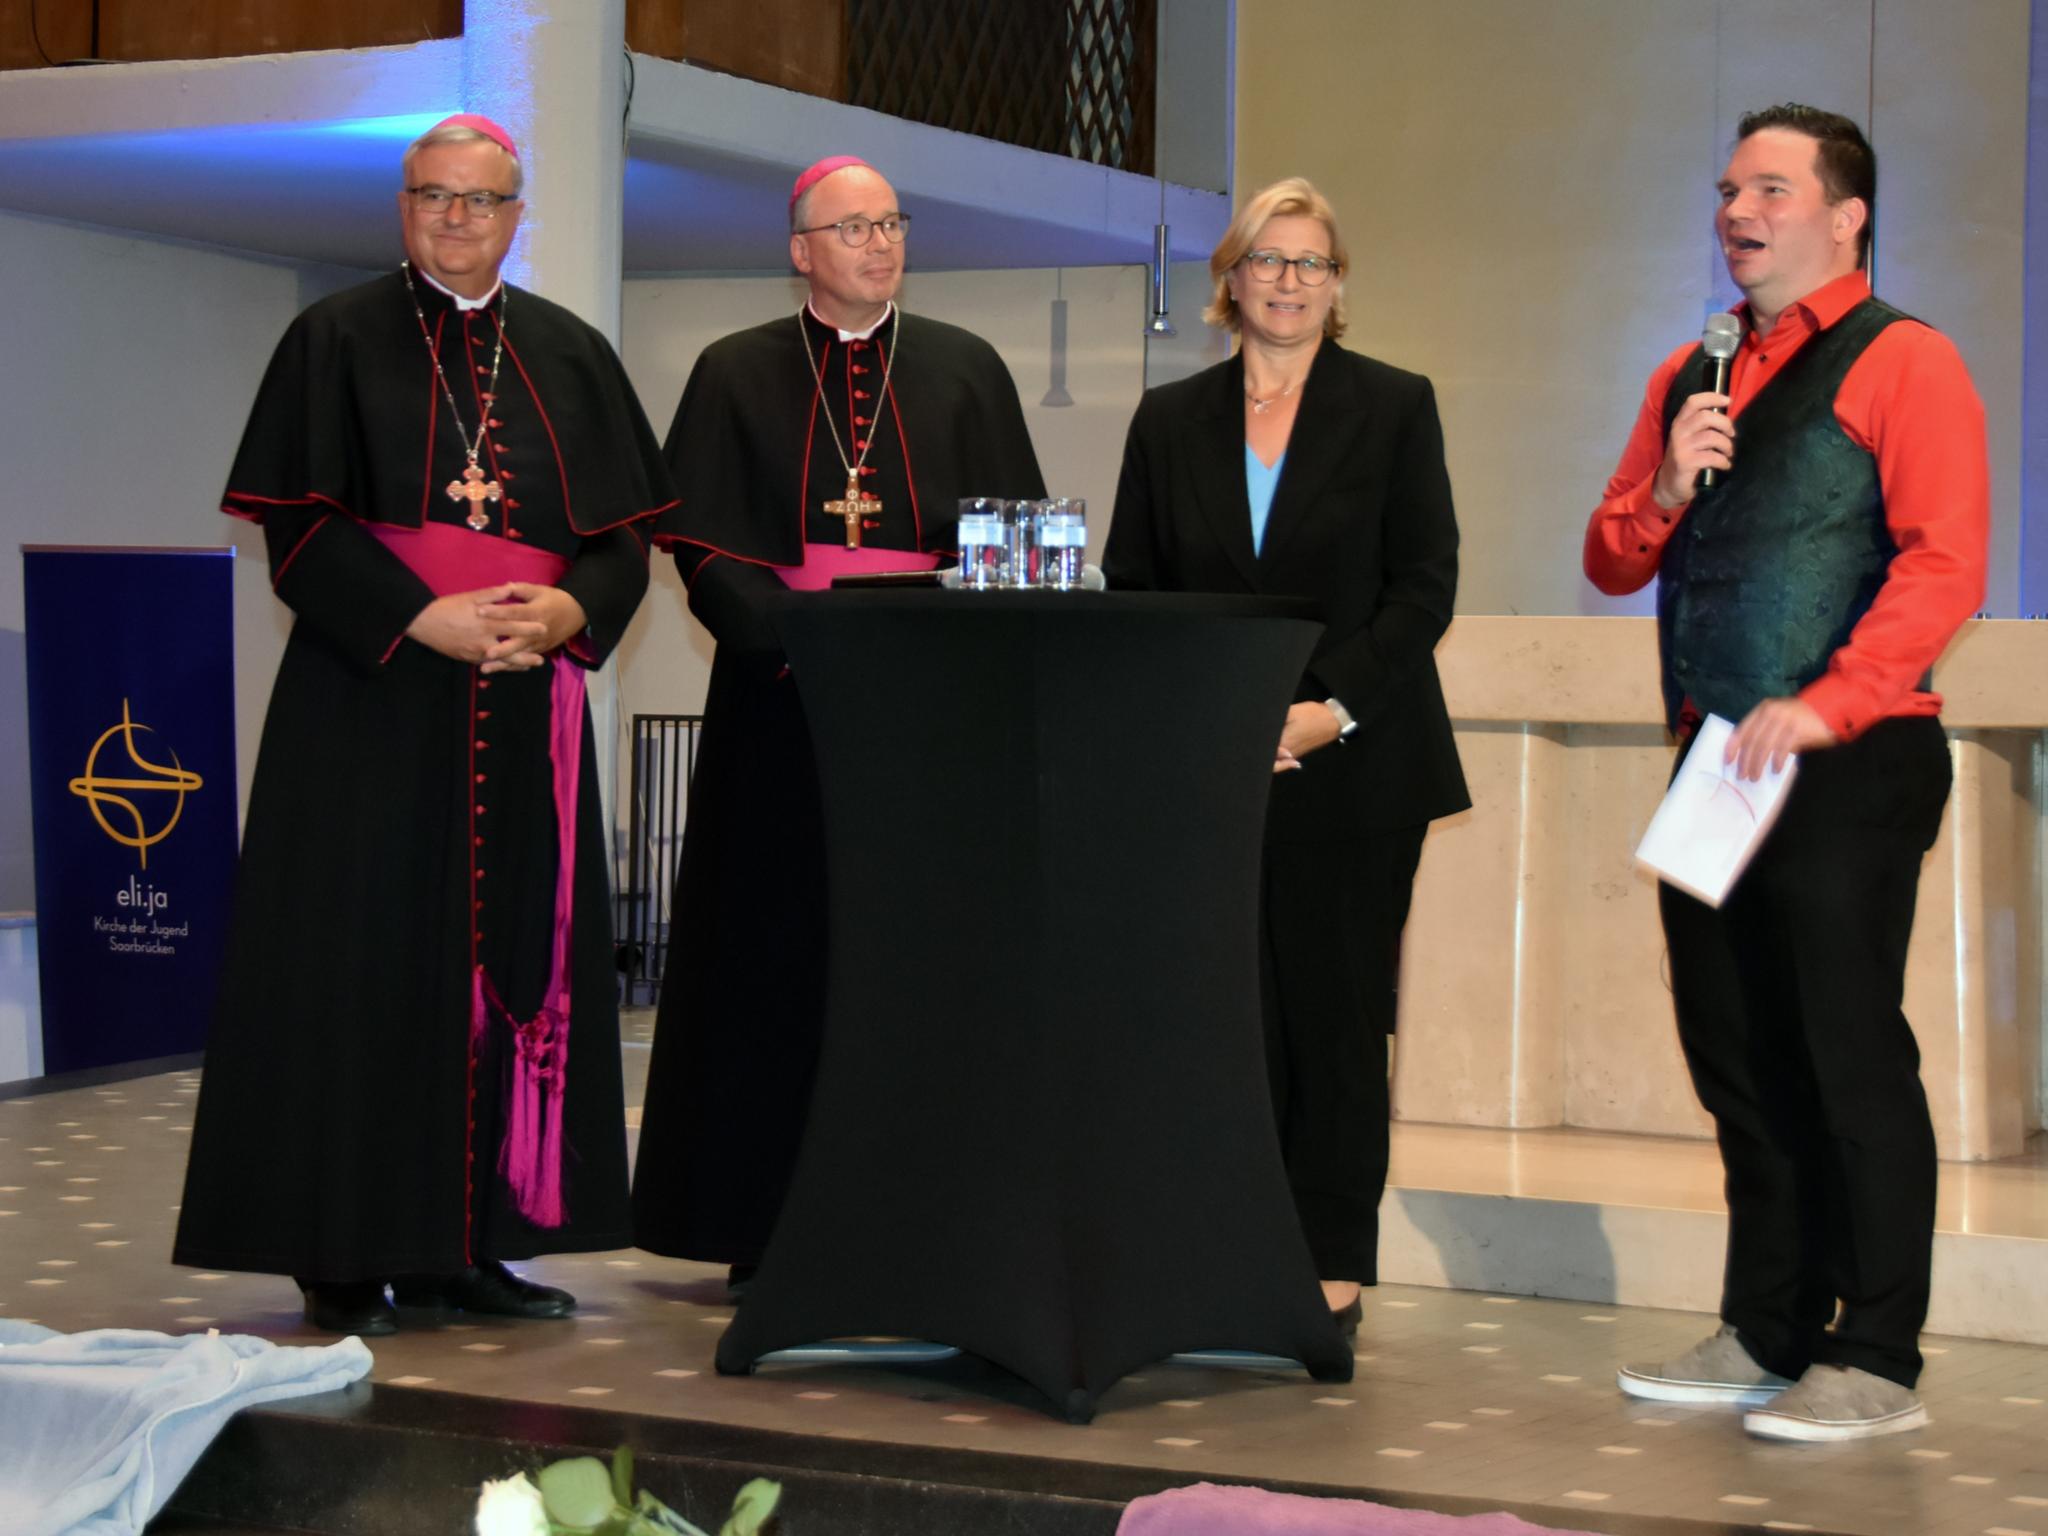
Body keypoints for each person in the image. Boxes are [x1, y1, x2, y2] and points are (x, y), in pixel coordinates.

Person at [173, 115, 676, 1335]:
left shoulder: (568, 351)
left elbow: (623, 541)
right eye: (433, 197)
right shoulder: (331, 338)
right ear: (404, 206)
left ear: (518, 213)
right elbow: (297, 533)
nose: (457, 218)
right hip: (371, 697)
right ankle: (340, 1254)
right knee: (362, 968)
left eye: (482, 200)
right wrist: (418, 618)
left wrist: (566, 608)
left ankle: (471, 1247)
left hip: (520, 699)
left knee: (506, 969)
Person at [1587, 105, 1988, 1441]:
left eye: (1769, 187)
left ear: (1845, 212)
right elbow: (1611, 555)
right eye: (1726, 189)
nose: (1736, 211)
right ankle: (1767, 1324)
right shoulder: (1689, 376)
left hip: (1852, 758)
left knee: (1846, 1051)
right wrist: (1669, 488)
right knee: (1736, 1052)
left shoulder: (1906, 361)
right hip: (1715, 765)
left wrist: (1833, 703)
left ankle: (1876, 1352)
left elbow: (1945, 562)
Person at [631, 156, 1045, 1281]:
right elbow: (697, 544)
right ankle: (757, 1227)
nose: (878, 242)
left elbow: (1011, 546)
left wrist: (930, 649)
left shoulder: (966, 368)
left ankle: (921, 1218)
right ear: (800, 250)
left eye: (891, 223)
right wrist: (799, 636)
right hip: (779, 707)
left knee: (915, 967)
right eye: (850, 226)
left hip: (927, 722)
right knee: (773, 960)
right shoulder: (733, 371)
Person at [1102, 177, 1468, 1335]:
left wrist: (1323, 712)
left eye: (1311, 263)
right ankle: (1219, 1245)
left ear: (1338, 286)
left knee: (1334, 1022)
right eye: (1268, 259)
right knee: (1218, 1020)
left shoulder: (1394, 406)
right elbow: (1133, 587)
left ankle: (1329, 1263)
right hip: (1211, 765)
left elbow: (1422, 588)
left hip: (1354, 767)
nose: (1289, 282)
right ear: (1230, 279)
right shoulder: (1167, 422)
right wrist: (1212, 716)